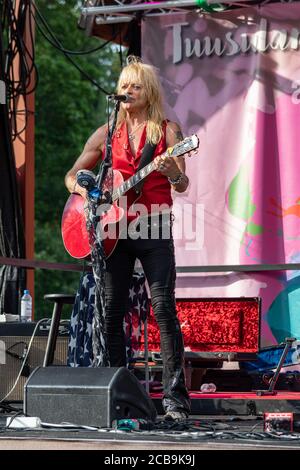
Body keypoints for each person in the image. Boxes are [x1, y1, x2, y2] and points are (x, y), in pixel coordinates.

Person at [65, 56, 191, 421]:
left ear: (148, 92)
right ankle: (119, 393)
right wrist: (86, 193)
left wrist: (172, 172)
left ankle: (174, 401)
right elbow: (73, 175)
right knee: (111, 314)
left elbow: (183, 185)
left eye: (135, 86)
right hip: (113, 229)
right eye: (123, 86)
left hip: (152, 226)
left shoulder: (168, 131)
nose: (128, 91)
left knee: (164, 308)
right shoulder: (107, 133)